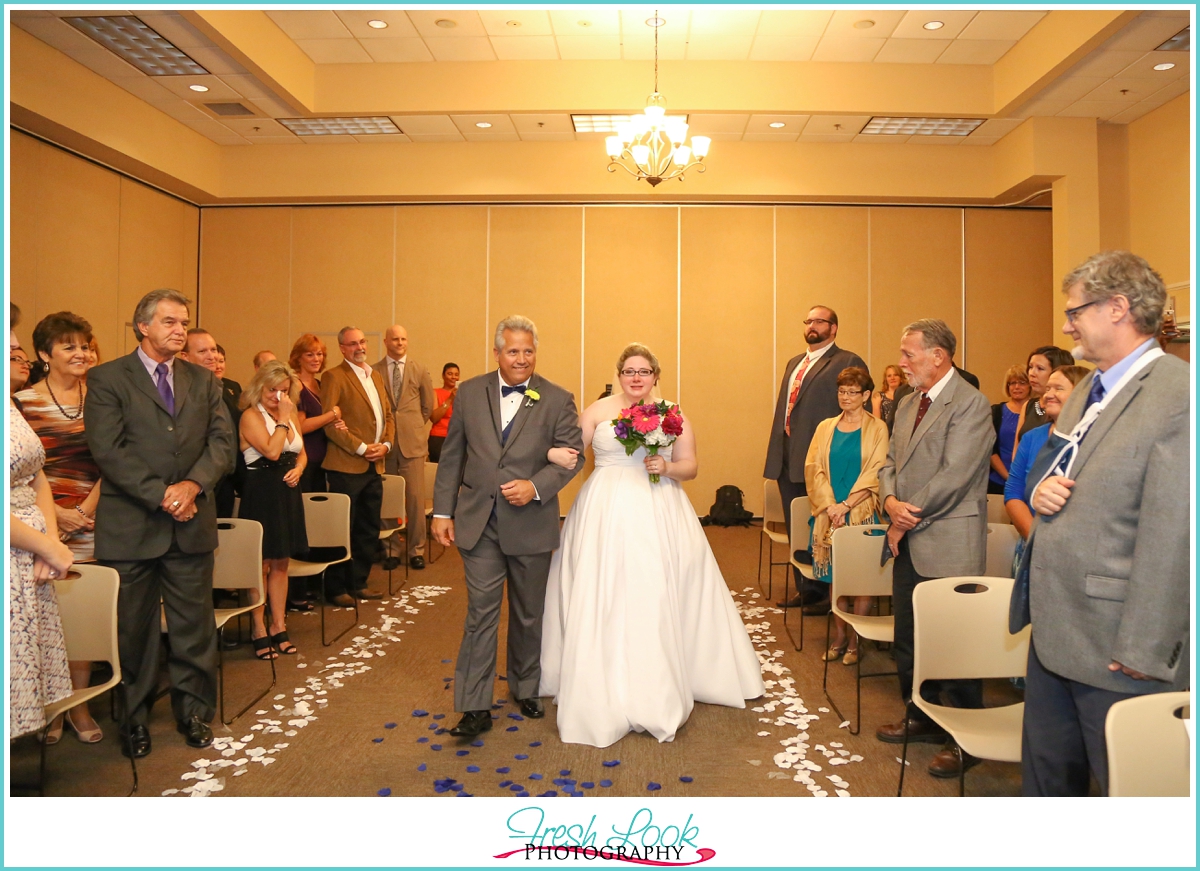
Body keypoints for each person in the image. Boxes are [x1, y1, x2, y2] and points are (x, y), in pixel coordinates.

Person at [1018, 251, 1188, 796]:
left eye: (1077, 311)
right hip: (1055, 628)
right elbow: (1058, 475)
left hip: (1117, 646)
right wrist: (1042, 492)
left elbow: (1176, 531)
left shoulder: (1178, 395)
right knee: (1048, 786)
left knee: (1128, 798)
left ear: (1118, 308)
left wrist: (1145, 647)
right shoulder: (1087, 390)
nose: (1067, 325)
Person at [539, 343, 763, 747]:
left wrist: (669, 467)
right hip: (604, 506)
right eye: (629, 371)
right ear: (620, 374)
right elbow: (573, 451)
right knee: (602, 586)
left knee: (656, 588)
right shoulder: (597, 411)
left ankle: (669, 674)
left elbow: (691, 465)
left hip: (659, 504)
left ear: (656, 375)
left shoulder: (673, 414)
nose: (636, 377)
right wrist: (553, 452)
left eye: (644, 371)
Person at [84, 289, 235, 758]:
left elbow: (222, 444)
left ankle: (194, 713)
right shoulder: (107, 378)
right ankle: (134, 719)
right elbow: (109, 451)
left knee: (193, 625)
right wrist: (163, 496)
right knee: (135, 630)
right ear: (142, 326)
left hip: (191, 523)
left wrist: (191, 487)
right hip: (132, 527)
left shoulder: (203, 380)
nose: (179, 329)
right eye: (169, 321)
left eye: (184, 322)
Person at [431, 315, 583, 739]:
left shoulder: (557, 398)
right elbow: (452, 456)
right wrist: (442, 512)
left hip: (531, 523)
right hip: (478, 522)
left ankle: (525, 686)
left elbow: (574, 455)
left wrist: (536, 486)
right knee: (480, 614)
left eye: (528, 351)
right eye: (513, 350)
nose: (521, 358)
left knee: (528, 613)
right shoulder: (469, 393)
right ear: (497, 352)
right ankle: (475, 706)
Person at [874, 318, 993, 780]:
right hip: (906, 535)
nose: (901, 363)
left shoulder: (971, 403)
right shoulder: (906, 404)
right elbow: (889, 462)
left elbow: (955, 474)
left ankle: (965, 739)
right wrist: (888, 502)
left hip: (948, 538)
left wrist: (905, 514)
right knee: (911, 638)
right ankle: (921, 715)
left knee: (958, 643)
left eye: (909, 355)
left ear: (938, 356)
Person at [16, 312, 105, 744]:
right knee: (50, 618)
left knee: (83, 616)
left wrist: (84, 512)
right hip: (39, 523)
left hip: (96, 517)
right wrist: (57, 520)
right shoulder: (22, 401)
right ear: (44, 354)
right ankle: (52, 705)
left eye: (85, 345)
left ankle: (81, 704)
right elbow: (26, 468)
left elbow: (117, 459)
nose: (81, 353)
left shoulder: (103, 396)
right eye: (69, 346)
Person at [764, 306, 867, 613]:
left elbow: (855, 411)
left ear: (833, 328)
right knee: (797, 526)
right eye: (808, 321)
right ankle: (805, 589)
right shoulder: (795, 362)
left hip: (823, 461)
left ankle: (826, 591)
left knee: (821, 526)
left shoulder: (847, 360)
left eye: (819, 321)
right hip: (786, 455)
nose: (812, 325)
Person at [804, 367, 888, 666]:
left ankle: (855, 640)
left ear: (866, 395)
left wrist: (847, 505)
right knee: (835, 579)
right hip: (829, 514)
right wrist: (830, 506)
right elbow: (814, 468)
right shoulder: (825, 427)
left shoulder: (877, 428)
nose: (846, 397)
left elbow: (877, 471)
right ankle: (839, 637)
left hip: (861, 512)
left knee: (861, 580)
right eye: (842, 391)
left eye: (853, 392)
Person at [9, 396, 74, 740]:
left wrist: (49, 540)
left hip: (29, 553)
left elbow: (37, 477)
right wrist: (46, 546)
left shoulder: (9, 403)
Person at [237, 361, 308, 659]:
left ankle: (279, 623)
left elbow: (300, 452)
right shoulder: (250, 416)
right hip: (261, 492)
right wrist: (282, 418)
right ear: (259, 387)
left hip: (288, 492)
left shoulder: (289, 416)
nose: (278, 396)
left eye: (284, 391)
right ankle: (258, 626)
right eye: (272, 390)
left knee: (281, 563)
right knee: (261, 564)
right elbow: (272, 451)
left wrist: (300, 470)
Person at [319, 327, 393, 606]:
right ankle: (337, 588)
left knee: (368, 528)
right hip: (347, 466)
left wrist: (385, 446)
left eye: (361, 342)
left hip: (375, 466)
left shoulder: (374, 375)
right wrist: (362, 448)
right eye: (352, 344)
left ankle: (358, 583)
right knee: (343, 530)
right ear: (341, 348)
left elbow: (388, 416)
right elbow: (329, 422)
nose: (359, 347)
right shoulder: (333, 376)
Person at [286, 334, 343, 611]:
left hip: (323, 462)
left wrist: (337, 423)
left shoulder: (320, 385)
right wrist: (332, 415)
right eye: (310, 354)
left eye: (320, 354)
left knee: (317, 525)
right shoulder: (294, 386)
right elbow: (302, 427)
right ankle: (296, 592)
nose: (316, 359)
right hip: (303, 463)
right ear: (298, 357)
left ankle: (310, 585)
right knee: (301, 524)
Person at [1004, 365, 1088, 544]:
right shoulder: (1031, 438)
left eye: (1058, 388)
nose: (1049, 394)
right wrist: (1036, 539)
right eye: (1048, 388)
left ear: (1081, 394)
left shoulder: (1095, 439)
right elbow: (1013, 492)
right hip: (1031, 543)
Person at [373, 325, 434, 571]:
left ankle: (416, 550)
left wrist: (414, 425)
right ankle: (391, 550)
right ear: (386, 341)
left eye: (403, 339)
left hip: (413, 444)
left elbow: (428, 406)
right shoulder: (374, 371)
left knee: (416, 501)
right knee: (388, 499)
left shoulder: (419, 369)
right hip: (385, 444)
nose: (399, 343)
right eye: (395, 339)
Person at [183, 328, 242, 518]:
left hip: (225, 478)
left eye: (213, 350)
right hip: (199, 481)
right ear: (185, 356)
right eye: (202, 352)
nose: (212, 356)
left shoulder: (218, 387)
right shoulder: (184, 392)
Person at [1016, 345, 1075, 441]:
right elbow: (1017, 448)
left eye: (1040, 368)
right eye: (1030, 367)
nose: (1032, 373)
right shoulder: (1028, 405)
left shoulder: (1068, 407)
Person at [988, 366, 1030, 495]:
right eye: (1012, 383)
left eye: (1022, 383)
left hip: (1030, 482)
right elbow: (990, 449)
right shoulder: (996, 411)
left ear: (1030, 386)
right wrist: (1009, 478)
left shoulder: (1037, 412)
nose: (1016, 387)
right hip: (998, 481)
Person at [428, 362, 460, 463]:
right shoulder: (435, 392)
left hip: (457, 437)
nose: (453, 377)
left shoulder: (463, 394)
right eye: (450, 374)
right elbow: (434, 417)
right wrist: (450, 399)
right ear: (443, 375)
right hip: (439, 438)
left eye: (456, 374)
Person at [871, 364, 910, 434]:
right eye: (889, 376)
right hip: (885, 434)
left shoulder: (908, 396)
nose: (892, 378)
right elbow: (876, 422)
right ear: (886, 379)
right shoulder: (878, 396)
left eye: (895, 375)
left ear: (901, 378)